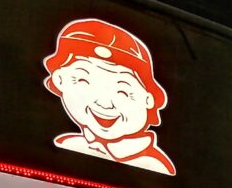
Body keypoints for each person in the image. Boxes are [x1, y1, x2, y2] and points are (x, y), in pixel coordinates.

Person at [43, 18, 176, 175]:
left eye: (123, 92)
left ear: (148, 99)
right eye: (84, 81)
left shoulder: (153, 167)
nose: (104, 103)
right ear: (59, 79)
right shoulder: (68, 144)